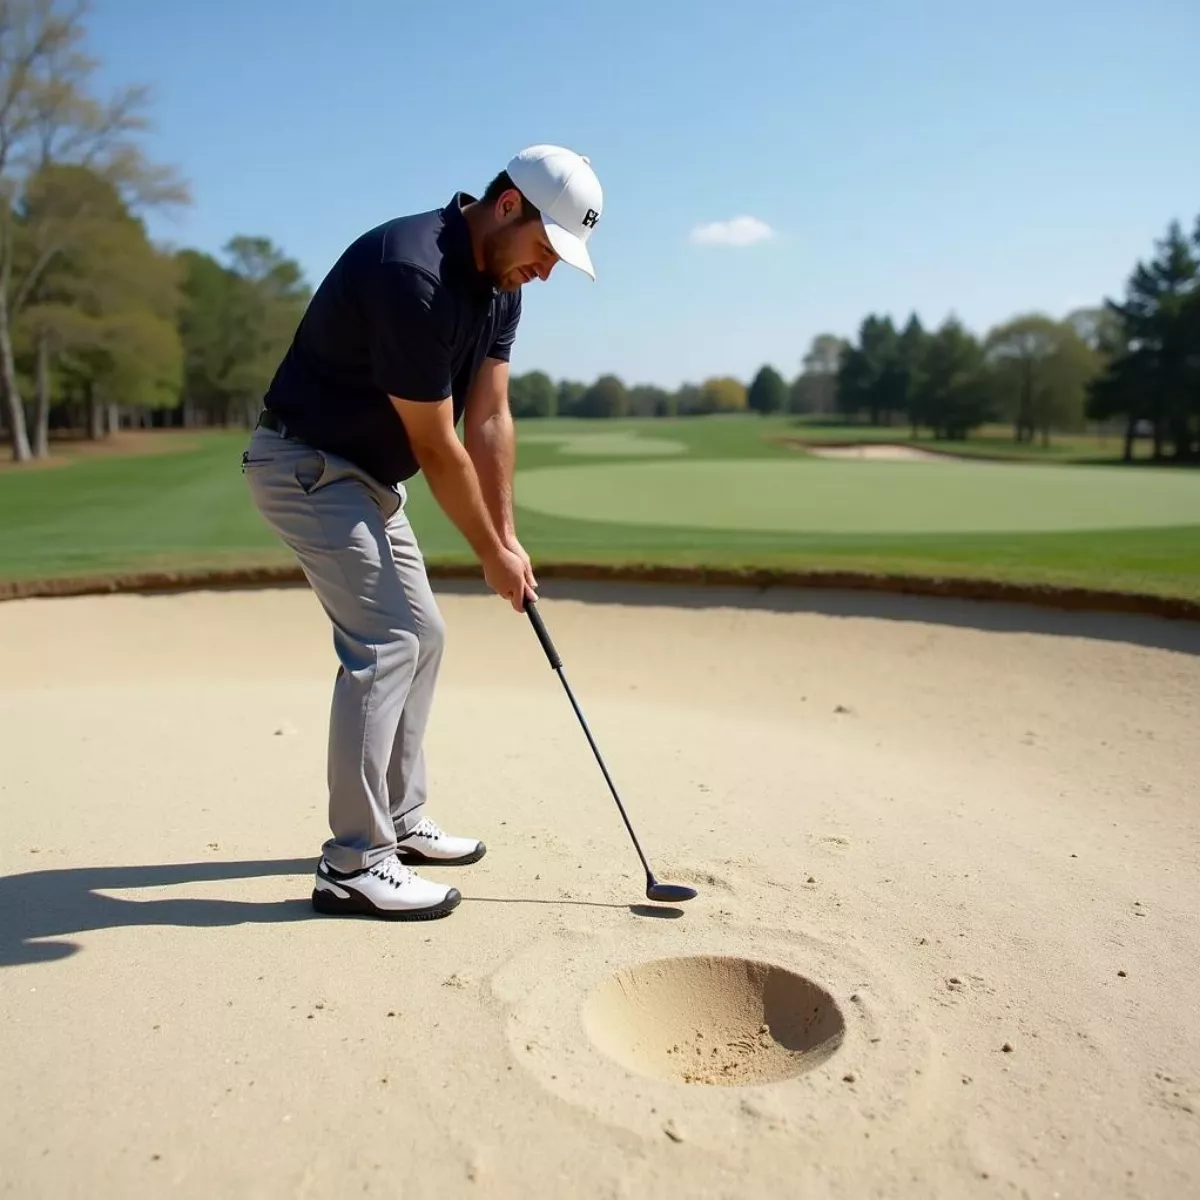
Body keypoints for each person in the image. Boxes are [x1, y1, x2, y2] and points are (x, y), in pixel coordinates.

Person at [240, 144, 603, 921]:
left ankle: (398, 823)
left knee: (424, 635)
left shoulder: (500, 288)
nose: (544, 270)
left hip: (365, 477)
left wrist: (507, 537)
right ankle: (354, 863)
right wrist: (488, 556)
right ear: (508, 206)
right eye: (546, 249)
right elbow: (438, 445)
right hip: (305, 465)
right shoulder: (417, 274)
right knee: (386, 642)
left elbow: (491, 418)